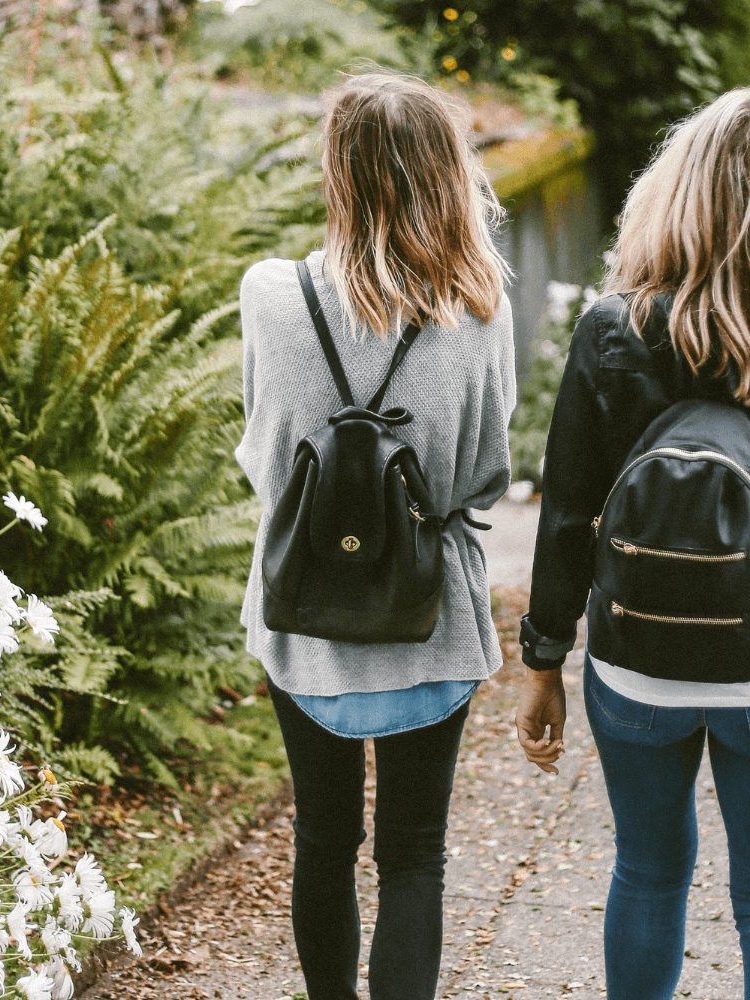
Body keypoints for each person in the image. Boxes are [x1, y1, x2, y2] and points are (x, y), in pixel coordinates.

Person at [235, 72, 515, 1000]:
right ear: (448, 173)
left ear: (339, 172)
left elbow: (264, 460)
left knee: (322, 838)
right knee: (413, 857)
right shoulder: (480, 310)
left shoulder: (270, 296)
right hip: (429, 619)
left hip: (305, 617)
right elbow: (483, 475)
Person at [516, 89, 750, 1000]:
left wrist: (542, 662)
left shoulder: (614, 327)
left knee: (649, 872)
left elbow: (569, 513)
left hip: (636, 661)